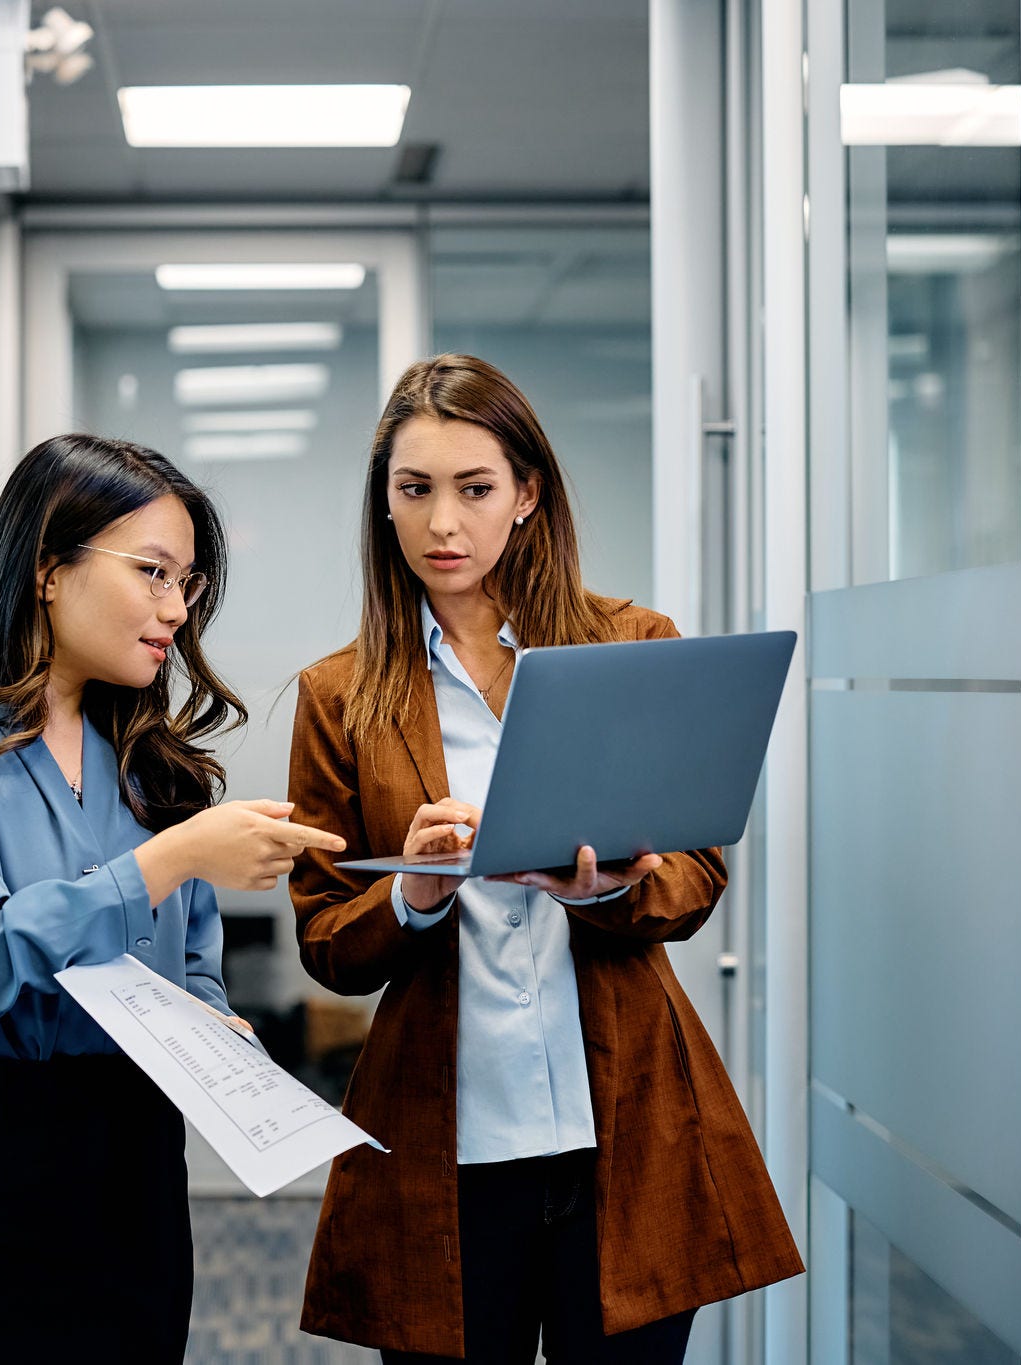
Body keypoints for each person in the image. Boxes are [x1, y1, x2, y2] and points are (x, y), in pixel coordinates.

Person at [285, 356, 802, 1363]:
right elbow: (324, 939)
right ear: (381, 504)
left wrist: (608, 883)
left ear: (525, 495)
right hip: (445, 1143)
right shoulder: (339, 694)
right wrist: (417, 897)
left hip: (625, 1134)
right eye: (413, 489)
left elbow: (696, 875)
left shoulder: (629, 645)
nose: (443, 524)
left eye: (474, 490)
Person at [0, 433, 345, 1364]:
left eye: (188, 583)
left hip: (133, 1163)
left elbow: (191, 963)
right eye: (154, 572)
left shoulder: (153, 766)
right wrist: (170, 859)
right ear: (46, 566)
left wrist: (215, 1030)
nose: (176, 609)